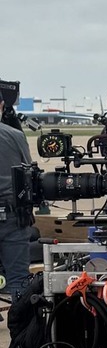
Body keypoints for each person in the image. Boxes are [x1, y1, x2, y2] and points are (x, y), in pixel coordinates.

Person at [0, 90, 32, 309]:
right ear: (2, 105)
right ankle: (21, 324)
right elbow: (28, 172)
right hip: (12, 215)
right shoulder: (15, 135)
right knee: (19, 280)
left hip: (13, 214)